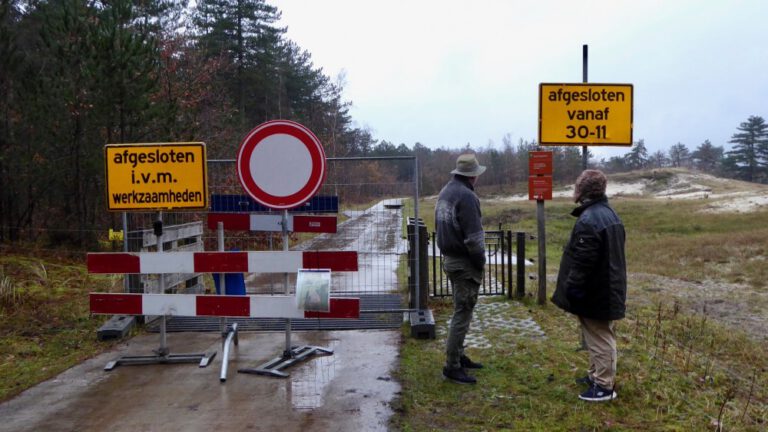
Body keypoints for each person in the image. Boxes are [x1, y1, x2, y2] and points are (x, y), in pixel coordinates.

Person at [551, 169, 627, 402]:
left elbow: (583, 260)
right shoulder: (608, 214)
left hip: (597, 289)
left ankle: (604, 386)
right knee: (596, 332)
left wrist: (573, 286)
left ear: (581, 190)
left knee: (600, 335)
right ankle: (596, 376)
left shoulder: (590, 219)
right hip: (605, 285)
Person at [435, 153, 487, 384]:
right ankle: (452, 366)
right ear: (473, 175)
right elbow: (475, 239)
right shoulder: (467, 197)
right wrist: (480, 262)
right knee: (462, 313)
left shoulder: (446, 191)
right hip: (464, 263)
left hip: (449, 259)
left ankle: (459, 356)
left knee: (461, 310)